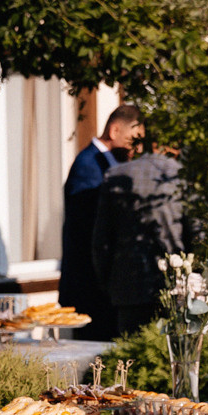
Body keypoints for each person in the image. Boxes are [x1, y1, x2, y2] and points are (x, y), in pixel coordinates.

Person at [92, 143, 194, 336]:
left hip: (128, 289)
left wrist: (107, 282)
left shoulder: (116, 175)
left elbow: (102, 242)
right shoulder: (181, 175)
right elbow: (198, 232)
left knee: (131, 357)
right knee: (176, 355)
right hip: (176, 285)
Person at [59, 103, 142, 334]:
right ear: (115, 131)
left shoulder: (108, 164)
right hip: (89, 285)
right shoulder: (89, 165)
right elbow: (90, 225)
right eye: (132, 140)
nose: (135, 148)